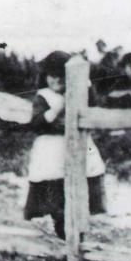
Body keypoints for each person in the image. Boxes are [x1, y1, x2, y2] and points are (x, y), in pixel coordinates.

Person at [23, 51, 107, 239]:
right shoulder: (44, 96)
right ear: (45, 77)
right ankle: (63, 233)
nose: (56, 80)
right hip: (52, 151)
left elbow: (92, 106)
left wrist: (83, 85)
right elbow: (37, 122)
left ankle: (77, 236)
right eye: (51, 75)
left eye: (61, 75)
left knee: (80, 191)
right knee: (57, 196)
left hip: (77, 146)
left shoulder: (78, 94)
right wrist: (60, 105)